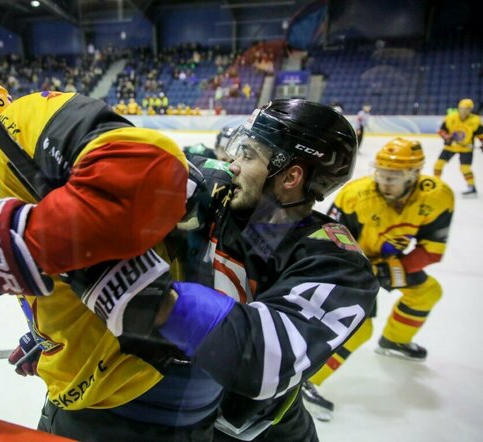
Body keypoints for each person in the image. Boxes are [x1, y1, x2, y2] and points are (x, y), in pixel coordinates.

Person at [0, 69, 224, 441]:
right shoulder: (12, 160)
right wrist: (48, 337)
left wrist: (20, 242)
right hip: (150, 385)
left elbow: (150, 173)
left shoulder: (14, 128)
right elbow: (89, 241)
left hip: (123, 399)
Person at [48, 100, 379, 441]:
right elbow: (121, 178)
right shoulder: (216, 188)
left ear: (291, 176)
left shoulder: (337, 264)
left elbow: (264, 357)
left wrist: (157, 302)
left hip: (261, 431)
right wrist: (72, 329)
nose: (232, 164)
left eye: (248, 155)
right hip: (178, 411)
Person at [303, 138, 454, 422]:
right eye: (381, 173)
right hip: (350, 265)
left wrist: (389, 270)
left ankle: (395, 341)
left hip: (388, 264)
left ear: (414, 175)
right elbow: (329, 242)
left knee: (427, 291)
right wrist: (360, 273)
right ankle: (305, 380)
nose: (385, 181)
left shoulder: (437, 197)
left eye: (394, 176)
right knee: (359, 328)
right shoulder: (356, 196)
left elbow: (432, 250)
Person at [433, 98, 483, 196]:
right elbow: (441, 131)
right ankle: (436, 184)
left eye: (466, 109)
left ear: (470, 110)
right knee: (438, 165)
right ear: (458, 108)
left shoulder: (475, 120)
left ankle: (472, 187)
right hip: (451, 146)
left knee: (465, 168)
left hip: (466, 148)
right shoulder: (451, 117)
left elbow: (481, 134)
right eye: (461, 108)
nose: (463, 111)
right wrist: (446, 137)